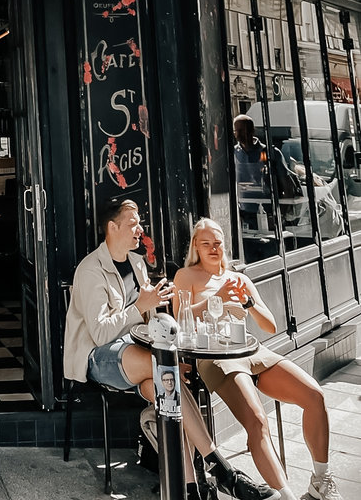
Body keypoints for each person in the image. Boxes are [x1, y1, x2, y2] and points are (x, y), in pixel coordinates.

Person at [63, 197, 276, 500]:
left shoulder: (136, 262)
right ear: (112, 227)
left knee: (165, 385)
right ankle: (219, 468)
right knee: (167, 373)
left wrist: (157, 325)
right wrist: (141, 307)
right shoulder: (90, 269)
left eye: (139, 223)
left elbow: (148, 324)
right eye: (132, 223)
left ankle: (189, 488)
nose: (140, 229)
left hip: (138, 354)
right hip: (98, 357)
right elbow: (100, 334)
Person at [175, 219, 342, 500]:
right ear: (195, 247)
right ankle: (285, 496)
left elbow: (270, 326)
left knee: (314, 395)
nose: (214, 248)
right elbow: (180, 322)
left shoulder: (238, 278)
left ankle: (320, 483)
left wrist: (248, 302)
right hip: (216, 358)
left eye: (218, 243)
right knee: (257, 420)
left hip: (252, 352)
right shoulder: (186, 276)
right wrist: (216, 297)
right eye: (206, 243)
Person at [233, 115, 300, 231]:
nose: (238, 135)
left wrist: (278, 216)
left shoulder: (271, 153)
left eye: (242, 130)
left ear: (252, 131)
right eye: (236, 131)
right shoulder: (232, 154)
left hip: (269, 217)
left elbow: (288, 188)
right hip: (243, 217)